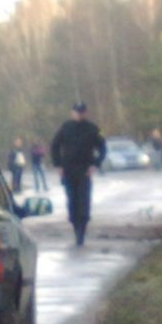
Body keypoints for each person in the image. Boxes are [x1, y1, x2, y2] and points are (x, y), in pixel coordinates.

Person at [50, 102, 107, 247]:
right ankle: (75, 225)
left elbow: (102, 148)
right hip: (68, 170)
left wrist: (95, 164)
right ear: (72, 112)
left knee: (83, 200)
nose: (79, 114)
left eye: (82, 112)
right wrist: (58, 165)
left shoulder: (92, 129)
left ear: (86, 113)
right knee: (71, 200)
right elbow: (54, 146)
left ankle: (82, 228)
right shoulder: (66, 127)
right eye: (77, 112)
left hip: (84, 170)